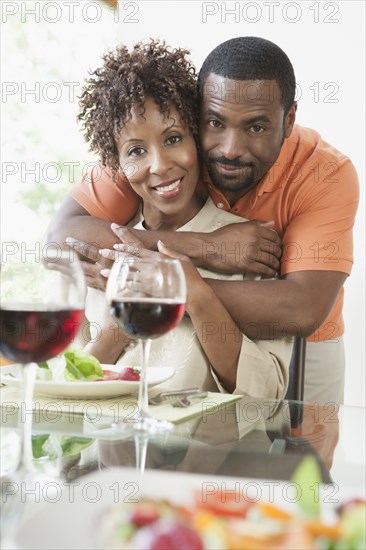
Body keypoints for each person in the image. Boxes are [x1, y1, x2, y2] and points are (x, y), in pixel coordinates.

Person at [46, 37, 359, 405]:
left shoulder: (325, 173)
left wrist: (174, 289)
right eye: (216, 123)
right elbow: (59, 237)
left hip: (301, 336)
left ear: (288, 119)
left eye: (256, 127)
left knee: (308, 449)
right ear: (198, 115)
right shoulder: (151, 146)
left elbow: (301, 309)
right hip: (176, 345)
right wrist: (204, 251)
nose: (230, 148)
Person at [77, 39, 292, 398]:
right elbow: (67, 389)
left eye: (174, 138)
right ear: (116, 165)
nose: (160, 166)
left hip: (204, 451)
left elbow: (268, 398)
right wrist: (118, 328)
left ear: (197, 136)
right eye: (136, 151)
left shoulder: (249, 249)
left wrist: (198, 297)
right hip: (108, 451)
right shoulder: (105, 257)